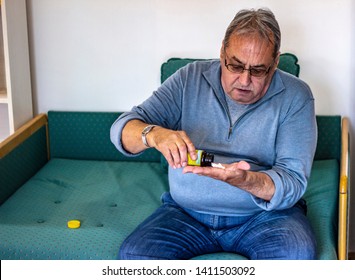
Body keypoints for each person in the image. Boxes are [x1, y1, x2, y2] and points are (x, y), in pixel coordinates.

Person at [110, 8, 317, 260]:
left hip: (264, 217)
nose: (244, 80)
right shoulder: (189, 79)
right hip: (185, 213)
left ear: (275, 63)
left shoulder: (296, 96)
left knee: (294, 256)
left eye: (258, 70)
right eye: (235, 65)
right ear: (221, 52)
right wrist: (153, 134)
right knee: (135, 256)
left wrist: (247, 181)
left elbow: (293, 181)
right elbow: (121, 130)